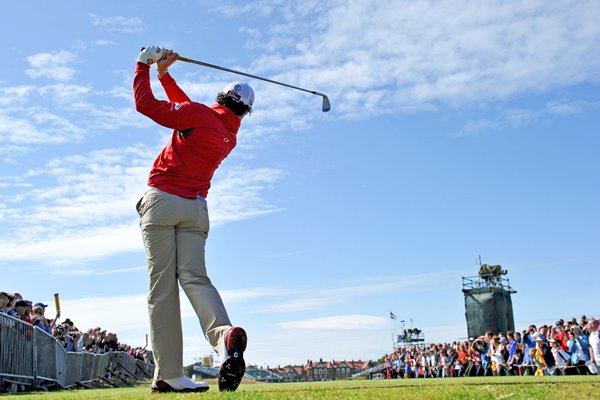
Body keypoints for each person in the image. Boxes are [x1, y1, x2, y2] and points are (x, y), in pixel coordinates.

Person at [133, 46, 250, 393]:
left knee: (162, 290)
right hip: (195, 210)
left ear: (221, 98)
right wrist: (166, 75)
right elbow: (190, 110)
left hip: (162, 204)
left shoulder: (200, 115)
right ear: (244, 112)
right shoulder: (229, 136)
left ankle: (169, 373)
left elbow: (145, 105)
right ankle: (225, 336)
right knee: (196, 279)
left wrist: (143, 65)